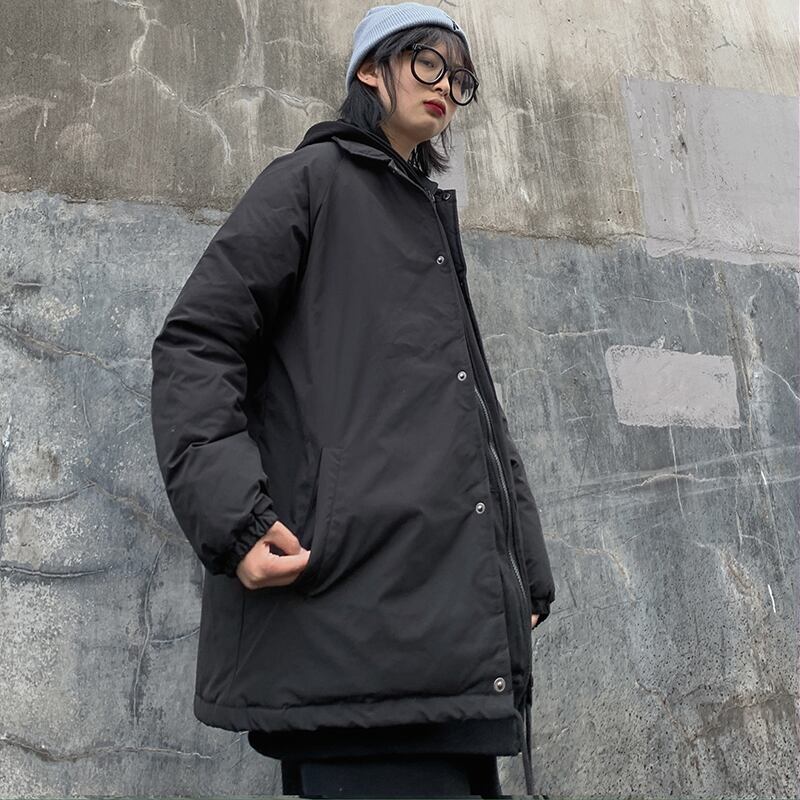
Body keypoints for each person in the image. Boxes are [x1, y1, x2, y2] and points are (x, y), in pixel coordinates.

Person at [149, 2, 555, 798]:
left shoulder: (425, 216)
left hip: (443, 651)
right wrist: (236, 520)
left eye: (460, 77)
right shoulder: (308, 182)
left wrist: (521, 570)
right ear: (371, 69)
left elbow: (472, 407)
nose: (446, 86)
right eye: (428, 62)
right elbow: (197, 343)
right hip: (348, 624)